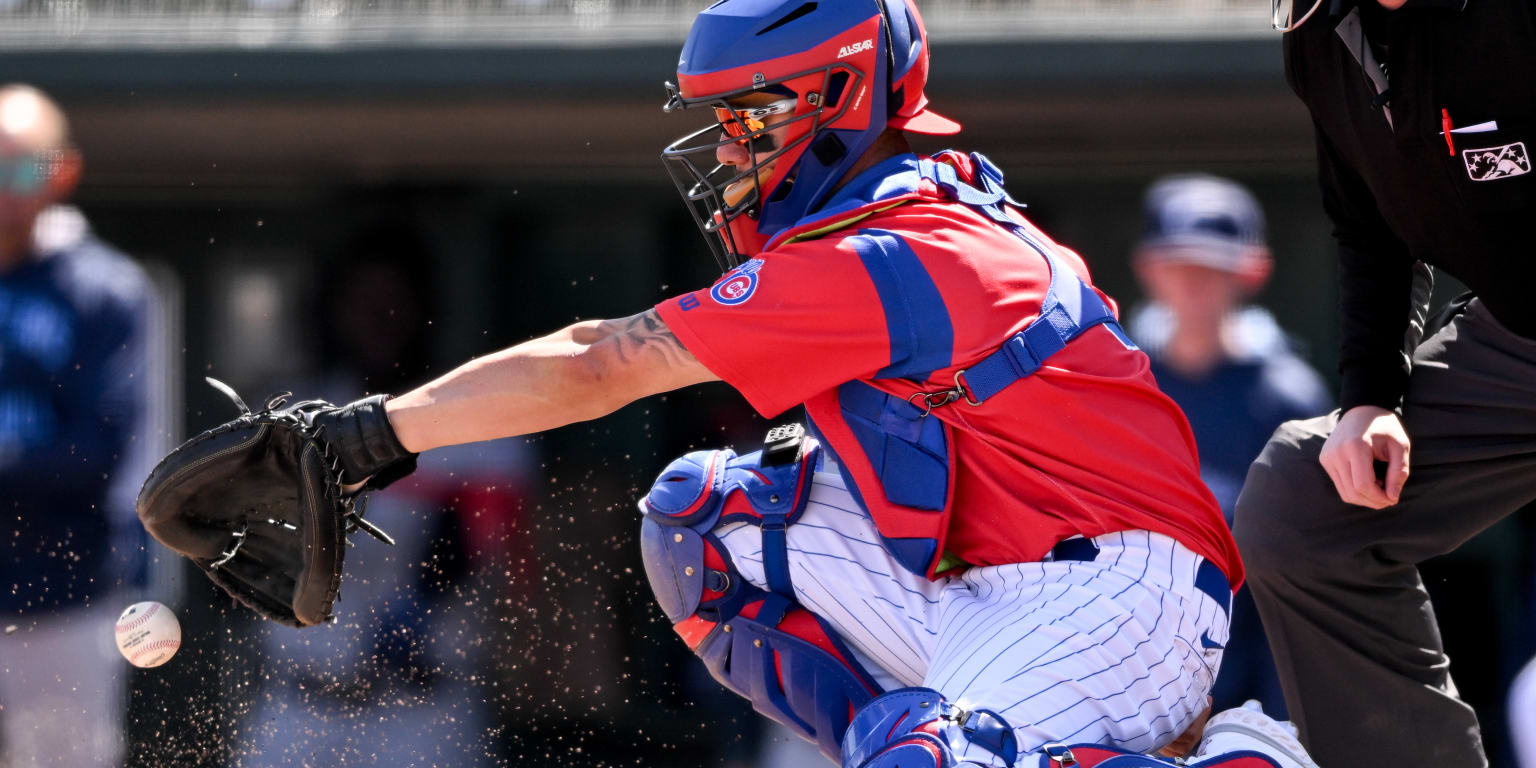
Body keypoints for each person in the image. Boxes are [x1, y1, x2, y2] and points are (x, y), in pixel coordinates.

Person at [180, 2, 1322, 766]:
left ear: (844, 96)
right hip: (996, 579)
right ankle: (921, 741)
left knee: (929, 757)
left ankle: (1229, 757)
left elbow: (606, 360)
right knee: (706, 516)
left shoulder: (901, 245)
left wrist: (368, 435)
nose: (730, 149)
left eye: (752, 116)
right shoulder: (892, 218)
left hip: (1120, 599)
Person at [1235, 0, 1536, 765]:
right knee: (1303, 505)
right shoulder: (1317, 34)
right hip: (1516, 347)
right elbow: (1366, 224)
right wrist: (1371, 396)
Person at [1127, 174, 1331, 718]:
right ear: (1148, 267)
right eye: (1179, 264)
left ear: (1252, 271)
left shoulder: (1291, 394)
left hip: (1259, 634)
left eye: (1212, 268)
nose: (1194, 284)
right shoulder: (1120, 384)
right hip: (1138, 637)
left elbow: (1310, 561)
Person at [0, 84, 152, 767]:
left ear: (61, 172)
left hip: (63, 602)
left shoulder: (104, 289)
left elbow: (98, 453)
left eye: (20, 168)